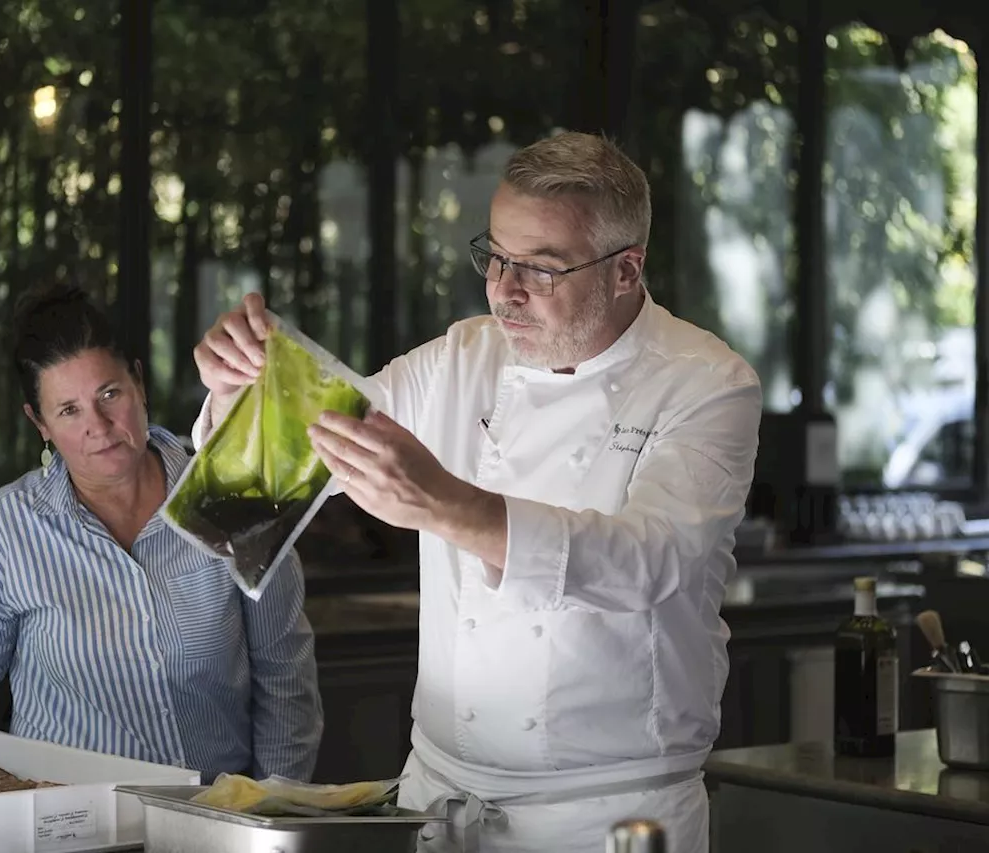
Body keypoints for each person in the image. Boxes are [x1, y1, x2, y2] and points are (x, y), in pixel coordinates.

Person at [191, 131, 762, 851]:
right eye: (494, 255)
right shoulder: (463, 356)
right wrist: (237, 390)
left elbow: (650, 560)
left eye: (540, 269)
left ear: (626, 270)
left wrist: (448, 504)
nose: (504, 290)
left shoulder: (706, 382)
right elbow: (294, 465)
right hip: (441, 801)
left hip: (607, 817)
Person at [0, 283, 323, 785]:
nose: (98, 425)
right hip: (62, 827)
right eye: (68, 410)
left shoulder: (235, 492)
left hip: (208, 823)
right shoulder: (11, 528)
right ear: (40, 422)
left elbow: (284, 677)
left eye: (108, 394)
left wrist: (270, 813)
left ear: (138, 381)